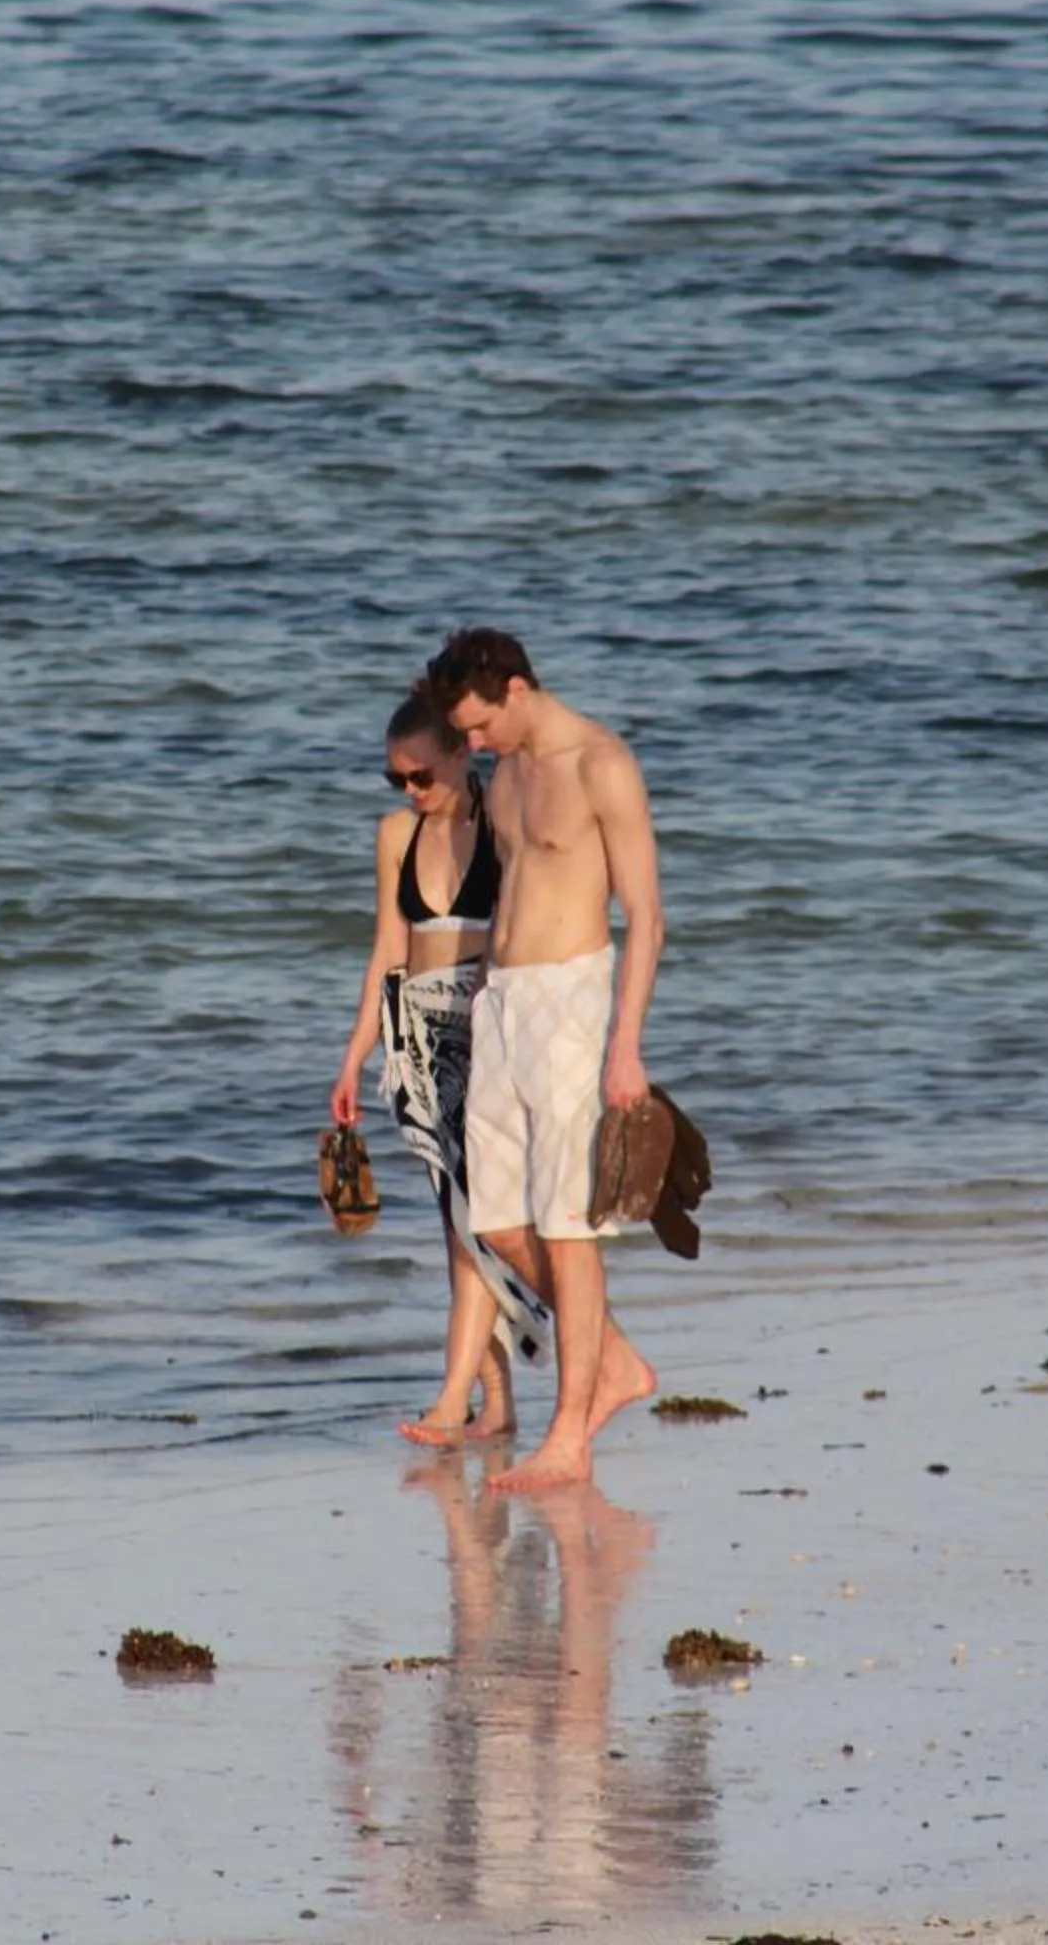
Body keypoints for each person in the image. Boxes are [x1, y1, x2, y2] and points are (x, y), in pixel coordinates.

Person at [422, 627, 663, 1493]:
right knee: (492, 1221)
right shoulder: (508, 771)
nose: (472, 745)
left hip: (572, 1001)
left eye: (479, 726)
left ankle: (571, 1436)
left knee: (568, 1228)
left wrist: (625, 1045)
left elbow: (646, 913)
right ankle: (619, 1362)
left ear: (516, 690)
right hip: (503, 1002)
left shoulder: (602, 763)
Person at [331, 686, 551, 1446]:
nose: (411, 791)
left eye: (421, 775)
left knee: (476, 1226)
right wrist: (355, 1056)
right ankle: (498, 1404)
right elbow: (387, 952)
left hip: (486, 1035)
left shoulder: (502, 824)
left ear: (462, 753)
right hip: (416, 1043)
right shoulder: (396, 835)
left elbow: (526, 936)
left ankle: (456, 1400)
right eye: (397, 779)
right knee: (456, 1226)